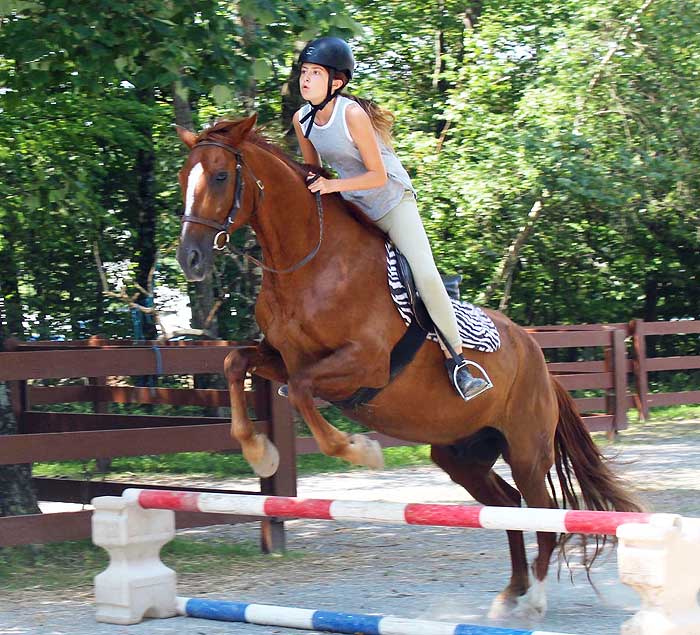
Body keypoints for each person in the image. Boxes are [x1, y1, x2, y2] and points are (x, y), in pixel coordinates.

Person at [291, 36, 490, 401]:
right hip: (354, 206)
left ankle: (458, 363)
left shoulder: (351, 114)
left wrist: (332, 186)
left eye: (314, 73)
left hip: (392, 203)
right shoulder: (302, 119)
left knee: (427, 277)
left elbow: (377, 176)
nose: (305, 80)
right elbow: (312, 173)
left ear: (337, 82)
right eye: (304, 72)